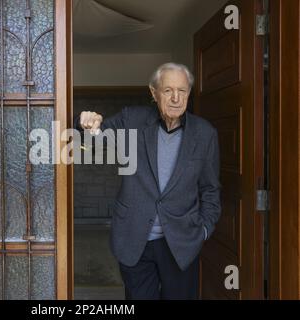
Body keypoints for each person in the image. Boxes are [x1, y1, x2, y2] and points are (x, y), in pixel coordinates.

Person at [74, 63, 221, 300]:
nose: (175, 98)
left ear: (189, 94)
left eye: (182, 91)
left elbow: (210, 189)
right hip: (134, 240)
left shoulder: (205, 133)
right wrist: (84, 123)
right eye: (168, 90)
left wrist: (203, 230)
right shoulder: (132, 118)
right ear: (154, 93)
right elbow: (95, 140)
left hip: (182, 243)